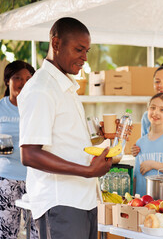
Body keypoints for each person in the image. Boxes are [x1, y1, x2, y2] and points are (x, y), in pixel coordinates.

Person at [17, 17, 112, 239]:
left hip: (82, 200)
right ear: (56, 44)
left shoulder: (64, 86)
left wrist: (100, 139)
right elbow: (29, 154)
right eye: (79, 49)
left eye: (87, 51)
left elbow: (65, 142)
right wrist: (88, 172)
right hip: (61, 203)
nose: (84, 58)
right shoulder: (41, 89)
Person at [0, 61, 38, 239]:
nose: (23, 83)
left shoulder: (39, 109)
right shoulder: (1, 107)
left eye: (28, 79)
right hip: (7, 179)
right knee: (6, 233)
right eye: (17, 78)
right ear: (8, 81)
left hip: (36, 178)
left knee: (39, 233)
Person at [131, 62, 163, 156]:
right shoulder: (147, 116)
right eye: (157, 81)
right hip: (156, 167)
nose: (161, 85)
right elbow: (145, 146)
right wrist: (137, 150)